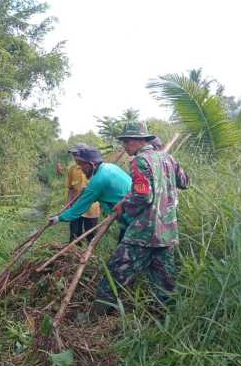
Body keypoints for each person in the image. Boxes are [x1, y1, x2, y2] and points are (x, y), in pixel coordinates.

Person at [93, 122, 189, 314]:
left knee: (116, 272)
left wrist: (124, 204)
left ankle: (94, 316)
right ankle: (163, 319)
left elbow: (143, 195)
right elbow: (185, 182)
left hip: (144, 232)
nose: (125, 146)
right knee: (165, 282)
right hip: (167, 232)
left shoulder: (139, 161)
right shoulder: (168, 158)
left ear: (139, 141)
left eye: (127, 142)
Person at [49, 146, 132, 239]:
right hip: (135, 216)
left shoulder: (98, 180)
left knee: (124, 252)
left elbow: (79, 208)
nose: (81, 169)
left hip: (134, 220)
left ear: (92, 164)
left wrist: (58, 218)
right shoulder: (110, 167)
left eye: (82, 165)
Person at [66, 144, 101, 243]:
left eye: (76, 154)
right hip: (76, 207)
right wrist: (68, 204)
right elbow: (70, 188)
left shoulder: (94, 168)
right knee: (74, 235)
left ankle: (89, 256)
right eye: (73, 154)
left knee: (91, 236)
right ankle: (73, 254)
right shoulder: (72, 169)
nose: (75, 157)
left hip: (92, 208)